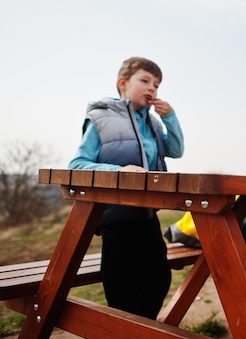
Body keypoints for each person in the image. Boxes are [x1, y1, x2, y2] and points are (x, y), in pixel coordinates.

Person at [68, 56, 184, 319]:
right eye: (144, 80)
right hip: (115, 215)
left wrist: (170, 118)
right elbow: (77, 165)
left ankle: (140, 329)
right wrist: (120, 172)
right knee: (123, 286)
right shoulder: (101, 118)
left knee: (159, 277)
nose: (152, 88)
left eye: (156, 85)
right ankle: (126, 329)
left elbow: (176, 150)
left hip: (147, 213)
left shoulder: (152, 123)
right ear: (123, 83)